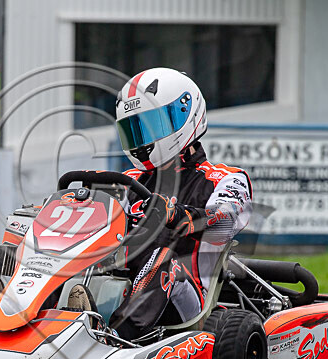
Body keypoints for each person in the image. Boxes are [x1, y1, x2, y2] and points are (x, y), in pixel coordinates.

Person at [104, 67, 254, 341]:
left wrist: (179, 215)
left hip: (187, 302)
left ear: (184, 116)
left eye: (151, 126)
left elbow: (225, 221)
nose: (143, 140)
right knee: (17, 252)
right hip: (120, 286)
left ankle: (114, 338)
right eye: (135, 131)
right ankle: (22, 321)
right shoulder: (128, 181)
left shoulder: (225, 179)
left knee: (162, 260)